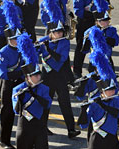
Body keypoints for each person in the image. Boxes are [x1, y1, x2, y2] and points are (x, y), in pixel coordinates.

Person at [12, 32, 62, 149]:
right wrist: (21, 95)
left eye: (39, 74)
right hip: (24, 126)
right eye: (35, 75)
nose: (38, 77)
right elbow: (16, 110)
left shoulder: (44, 88)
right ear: (28, 77)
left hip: (39, 127)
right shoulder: (17, 90)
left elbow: (46, 104)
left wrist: (32, 93)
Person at [38, 0, 80, 138]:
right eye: (57, 32)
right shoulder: (45, 39)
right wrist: (34, 47)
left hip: (59, 76)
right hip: (47, 77)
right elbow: (35, 53)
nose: (60, 34)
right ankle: (42, 128)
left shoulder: (64, 43)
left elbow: (59, 59)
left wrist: (47, 49)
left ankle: (71, 129)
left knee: (65, 103)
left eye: (61, 32)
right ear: (51, 32)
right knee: (45, 103)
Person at [0, 3, 25, 149]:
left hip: (20, 82)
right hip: (9, 84)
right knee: (7, 112)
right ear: (9, 39)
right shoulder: (2, 53)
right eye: (14, 39)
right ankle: (4, 139)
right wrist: (20, 72)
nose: (16, 41)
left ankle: (26, 142)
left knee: (24, 113)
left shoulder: (22, 49)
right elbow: (4, 74)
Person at [0, 0, 23, 97]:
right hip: (5, 39)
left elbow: (21, 21)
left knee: (17, 61)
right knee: (2, 65)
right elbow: (0, 29)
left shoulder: (17, 9)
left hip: (17, 39)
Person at [81, 0, 118, 72]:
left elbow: (115, 42)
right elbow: (85, 48)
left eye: (107, 21)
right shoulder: (90, 30)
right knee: (93, 74)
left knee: (110, 73)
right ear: (97, 22)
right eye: (104, 21)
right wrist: (88, 38)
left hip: (107, 56)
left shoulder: (112, 30)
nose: (106, 23)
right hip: (95, 56)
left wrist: (104, 39)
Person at [72, 0, 98, 79]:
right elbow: (78, 11)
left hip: (97, 23)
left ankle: (93, 70)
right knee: (81, 48)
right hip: (84, 23)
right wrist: (92, 14)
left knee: (96, 48)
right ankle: (77, 72)